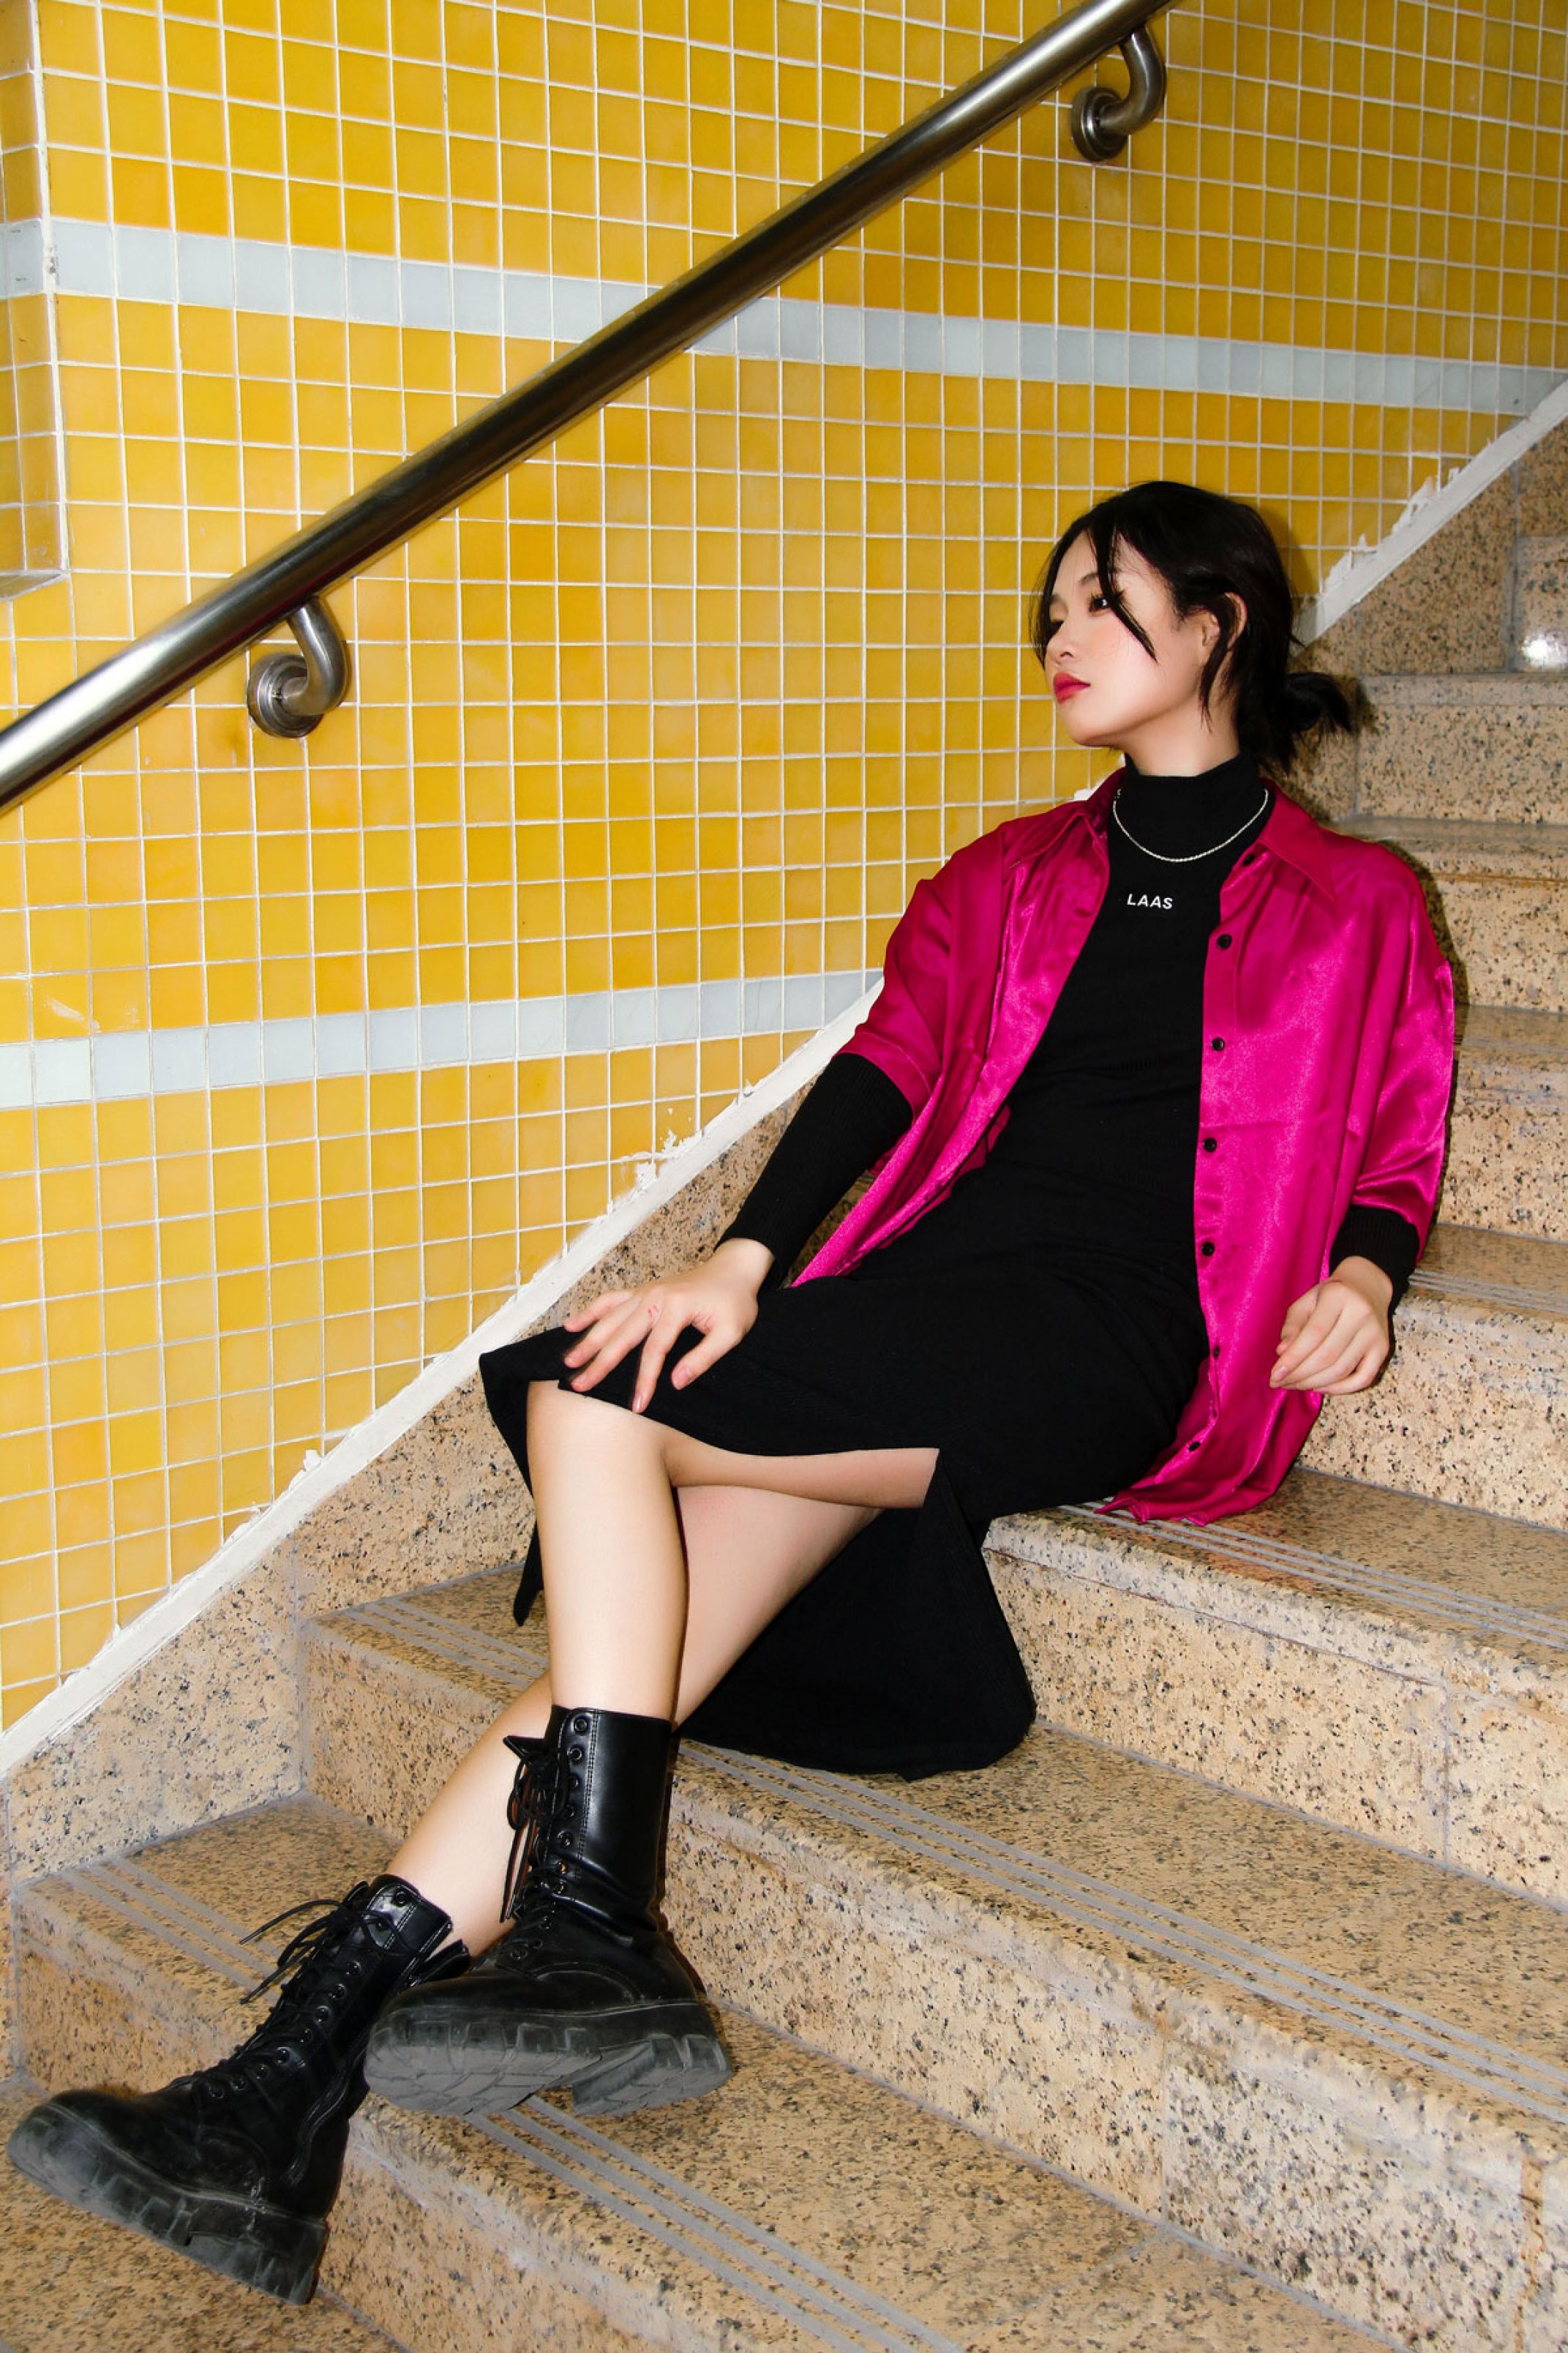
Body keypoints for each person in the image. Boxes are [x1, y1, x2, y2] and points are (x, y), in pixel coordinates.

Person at [10, 481, 1455, 2305]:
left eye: (1101, 600)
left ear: (1221, 621)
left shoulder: (1356, 899)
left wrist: (1362, 1278)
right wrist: (742, 1259)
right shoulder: (1008, 875)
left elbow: (1397, 1127)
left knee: (592, 1400)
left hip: (1111, 1337)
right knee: (631, 1640)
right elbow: (885, 1068)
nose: (1060, 637)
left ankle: (591, 1932)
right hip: (925, 1306)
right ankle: (278, 2101)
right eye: (1051, 610)